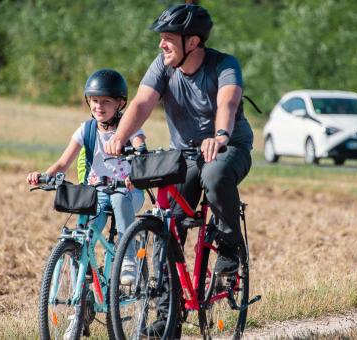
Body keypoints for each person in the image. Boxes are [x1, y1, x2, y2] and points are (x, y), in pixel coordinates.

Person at [104, 3, 253, 336]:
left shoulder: (224, 65)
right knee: (167, 222)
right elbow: (142, 102)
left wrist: (220, 136)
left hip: (229, 148)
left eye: (168, 38)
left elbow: (227, 103)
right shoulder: (163, 66)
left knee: (214, 175)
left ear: (193, 42)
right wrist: (119, 137)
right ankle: (167, 314)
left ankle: (229, 248)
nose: (161, 45)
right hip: (185, 155)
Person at [27, 69, 146, 286]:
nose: (98, 106)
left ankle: (129, 259)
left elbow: (141, 151)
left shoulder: (129, 127)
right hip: (97, 193)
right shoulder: (87, 129)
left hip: (128, 191)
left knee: (119, 200)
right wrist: (44, 175)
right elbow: (63, 163)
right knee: (87, 229)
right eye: (94, 100)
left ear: (120, 103)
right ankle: (84, 275)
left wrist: (136, 174)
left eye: (106, 101)